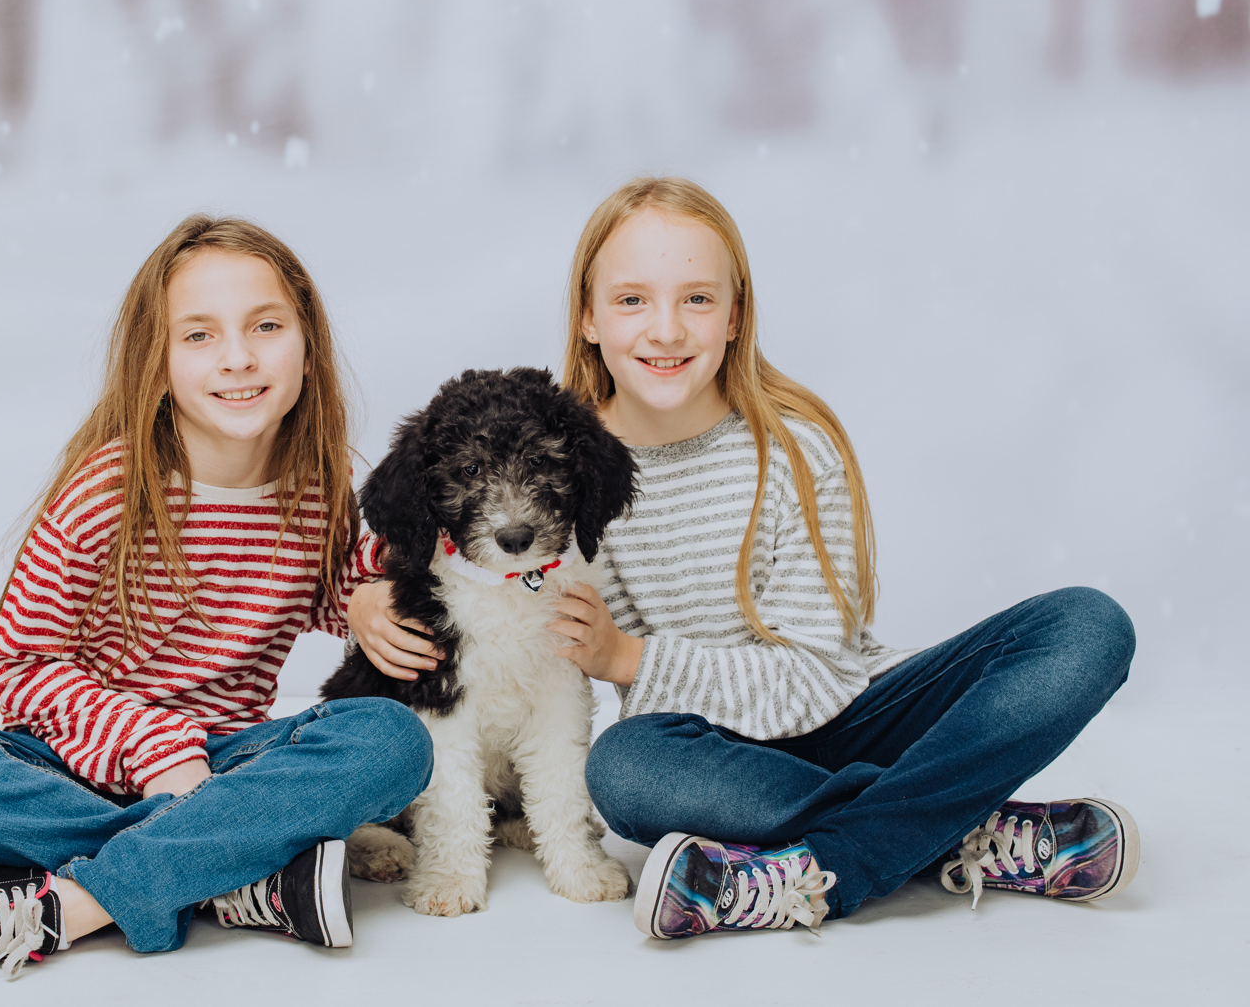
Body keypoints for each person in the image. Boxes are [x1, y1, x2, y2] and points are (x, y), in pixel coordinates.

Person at [349, 176, 1137, 940]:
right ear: (588, 318)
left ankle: (834, 861)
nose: (666, 328)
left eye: (697, 297)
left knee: (1087, 625)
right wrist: (366, 598)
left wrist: (629, 658)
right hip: (710, 757)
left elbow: (815, 677)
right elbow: (444, 530)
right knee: (627, 771)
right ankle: (955, 822)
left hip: (853, 714)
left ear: (735, 317)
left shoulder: (797, 451)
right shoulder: (560, 456)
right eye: (632, 300)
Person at [0, 215, 433, 976]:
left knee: (392, 740)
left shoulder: (317, 489)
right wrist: (155, 745)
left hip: (227, 767)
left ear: (307, 343)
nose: (239, 358)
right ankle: (233, 875)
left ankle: (70, 904)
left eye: (265, 325)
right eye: (199, 336)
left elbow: (328, 586)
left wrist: (361, 596)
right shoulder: (107, 489)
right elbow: (21, 666)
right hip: (66, 766)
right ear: (155, 361)